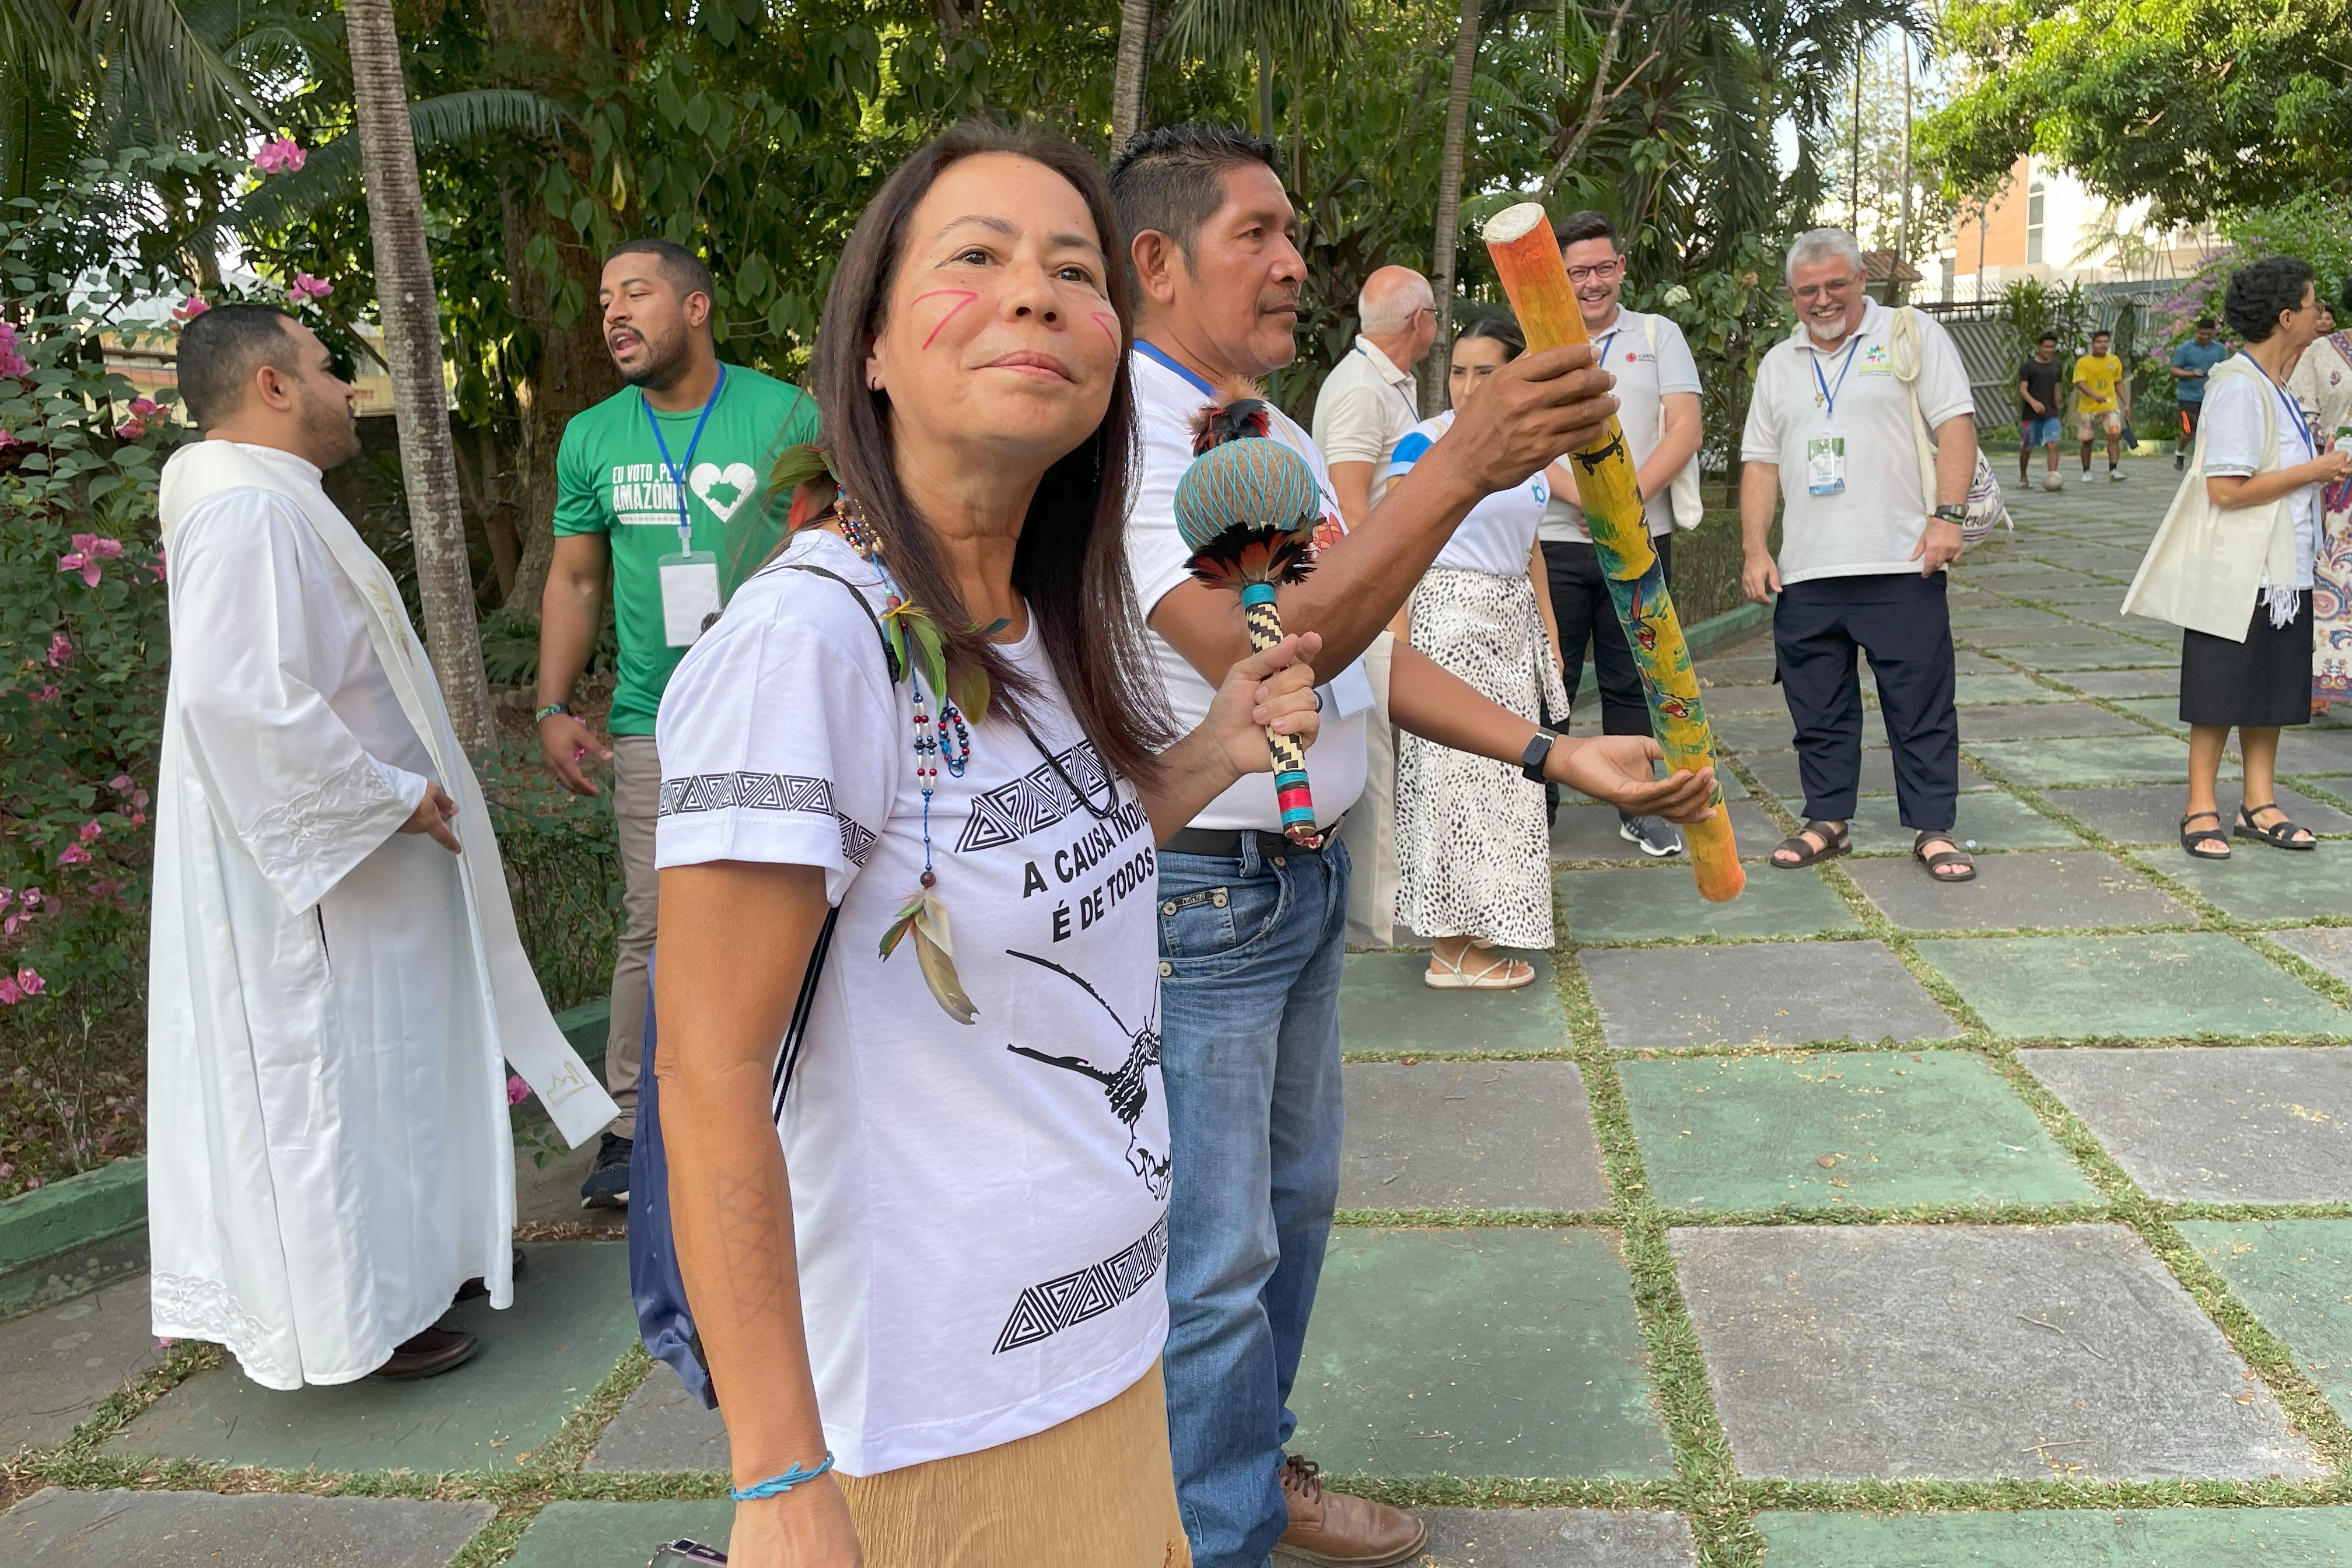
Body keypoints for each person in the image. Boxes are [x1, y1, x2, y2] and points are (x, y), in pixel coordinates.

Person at [650, 123, 1327, 1566]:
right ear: (874, 347)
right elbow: (703, 1070)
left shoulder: (1029, 625)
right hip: (934, 1428)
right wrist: (778, 1482)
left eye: (1073, 271)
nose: (1034, 294)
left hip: (1110, 1359)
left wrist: (1210, 745)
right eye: (977, 258)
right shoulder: (810, 644)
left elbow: (1059, 866)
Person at [1111, 125, 1716, 1568]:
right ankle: (1213, 1538)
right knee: (1212, 1265)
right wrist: (1465, 466)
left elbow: (1361, 658)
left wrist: (1556, 752)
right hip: (1203, 893)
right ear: (1155, 259)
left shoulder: (1271, 433)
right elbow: (1260, 655)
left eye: (1291, 231)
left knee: (1291, 1222)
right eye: (1257, 231)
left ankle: (1251, 1477)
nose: (1293, 260)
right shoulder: (1130, 439)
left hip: (1299, 879)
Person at [149, 304, 612, 1388]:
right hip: (329, 876)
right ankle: (361, 1312)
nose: (343, 386)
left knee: (402, 1067)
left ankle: (422, 1267)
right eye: (323, 367)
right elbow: (238, 698)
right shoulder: (241, 514)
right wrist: (390, 796)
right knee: (342, 1080)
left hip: (379, 864)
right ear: (270, 386)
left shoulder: (277, 500)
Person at [536, 239, 821, 1210]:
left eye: (637, 292)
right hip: (655, 717)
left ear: (696, 307)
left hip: (778, 705)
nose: (614, 311)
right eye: (605, 298)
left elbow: (827, 539)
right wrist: (550, 702)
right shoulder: (592, 438)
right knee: (655, 921)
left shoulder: (786, 413)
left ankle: (789, 1095)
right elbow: (576, 577)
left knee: (797, 897)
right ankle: (631, 1127)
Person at [1740, 228, 1980, 884]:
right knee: (1816, 705)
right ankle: (1828, 820)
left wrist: (1948, 517)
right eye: (1807, 291)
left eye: (1835, 285)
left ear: (1861, 282)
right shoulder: (1778, 364)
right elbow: (1759, 463)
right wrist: (1756, 548)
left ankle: (1934, 829)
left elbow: (1956, 424)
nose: (1823, 301)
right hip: (1808, 569)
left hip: (1902, 560)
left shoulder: (1910, 334)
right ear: (1792, 296)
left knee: (1920, 703)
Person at [2127, 257, 2352, 858]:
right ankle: (2201, 806)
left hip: (2283, 568)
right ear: (2286, 317)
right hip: (2239, 570)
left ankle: (2259, 802)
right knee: (2220, 690)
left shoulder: (2273, 387)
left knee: (2272, 687)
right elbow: (2225, 489)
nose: (2319, 314)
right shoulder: (2236, 385)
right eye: (2311, 304)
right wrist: (2320, 468)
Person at [1384, 316, 1569, 987]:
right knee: (1450, 784)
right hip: (1446, 626)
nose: (1466, 386)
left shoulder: (1533, 450)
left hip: (1509, 628)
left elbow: (1530, 549)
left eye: (1484, 372)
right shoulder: (1423, 445)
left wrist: (1547, 636)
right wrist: (1398, 641)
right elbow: (1396, 546)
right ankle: (1449, 948)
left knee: (1505, 784)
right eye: (1458, 371)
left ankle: (1486, 933)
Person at [1538, 209, 1704, 859]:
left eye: (1604, 267)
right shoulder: (1539, 342)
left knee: (1635, 674)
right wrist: (1582, 496)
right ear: (1561, 276)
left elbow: (1684, 429)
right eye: (1578, 271)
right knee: (1548, 674)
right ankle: (1538, 807)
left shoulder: (1658, 335)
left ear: (1622, 268)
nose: (1592, 282)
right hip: (1556, 539)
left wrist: (1620, 502)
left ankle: (1638, 805)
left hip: (1639, 535)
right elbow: (1526, 438)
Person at [1309, 264, 1436, 948]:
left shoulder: (1386, 383)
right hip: (1371, 594)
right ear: (1419, 321)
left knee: (1384, 754)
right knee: (1378, 754)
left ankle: (1386, 905)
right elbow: (1348, 502)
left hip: (1387, 586)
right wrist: (1385, 606)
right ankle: (1379, 920)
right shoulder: (1361, 388)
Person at [1312, 265, 1437, 528]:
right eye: (1435, 313)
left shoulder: (1380, 379)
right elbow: (1348, 509)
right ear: (1418, 319)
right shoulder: (1362, 389)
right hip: (1377, 564)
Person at [2287, 284, 2352, 710]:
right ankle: (2326, 677)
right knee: (2335, 580)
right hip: (2338, 488)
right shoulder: (2323, 351)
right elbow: (2301, 416)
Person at [2170, 317, 2229, 473]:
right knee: (2189, 429)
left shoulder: (2220, 349)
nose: (2205, 337)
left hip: (2212, 396)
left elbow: (2226, 368)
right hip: (2188, 396)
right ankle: (2180, 451)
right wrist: (2191, 374)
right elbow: (2174, 370)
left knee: (2211, 429)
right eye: (2202, 334)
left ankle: (2204, 459)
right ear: (2197, 332)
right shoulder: (2185, 348)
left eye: (2209, 334)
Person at [2074, 327, 2130, 482]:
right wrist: (2094, 396)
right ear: (2093, 344)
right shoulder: (2084, 362)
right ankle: (2086, 471)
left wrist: (2125, 403)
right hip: (2088, 407)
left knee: (2114, 436)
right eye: (2099, 342)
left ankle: (2114, 469)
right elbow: (2080, 383)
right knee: (2087, 440)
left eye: (2106, 342)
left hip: (2110, 406)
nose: (2102, 345)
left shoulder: (2114, 361)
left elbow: (2118, 383)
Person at [2017, 333, 2064, 491]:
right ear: (2039, 347)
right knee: (2028, 447)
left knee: (2053, 445)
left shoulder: (2057, 366)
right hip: (2031, 415)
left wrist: (2057, 408)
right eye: (2046, 347)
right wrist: (2034, 403)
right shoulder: (2028, 367)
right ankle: (2023, 477)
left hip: (2051, 414)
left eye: (2052, 347)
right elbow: (2023, 390)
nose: (2049, 350)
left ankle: (2053, 477)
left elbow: (2057, 389)